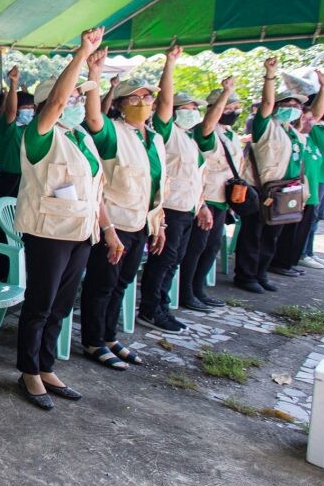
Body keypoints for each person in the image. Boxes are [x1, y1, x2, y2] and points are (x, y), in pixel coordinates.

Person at [14, 28, 109, 409]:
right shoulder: (40, 134)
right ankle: (28, 371)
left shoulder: (81, 137)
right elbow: (54, 105)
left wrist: (94, 78)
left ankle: (47, 365)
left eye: (77, 97)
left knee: (61, 305)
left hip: (81, 233)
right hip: (48, 233)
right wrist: (82, 55)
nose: (74, 102)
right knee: (40, 303)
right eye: (70, 96)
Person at [79, 50, 166, 370]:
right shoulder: (112, 132)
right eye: (135, 97)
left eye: (147, 96)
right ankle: (92, 340)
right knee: (102, 284)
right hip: (112, 221)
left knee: (122, 283)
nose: (142, 101)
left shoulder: (154, 138)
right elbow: (93, 119)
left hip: (141, 223)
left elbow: (158, 184)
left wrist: (160, 224)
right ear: (120, 103)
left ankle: (110, 335)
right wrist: (95, 73)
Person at [234, 59, 324, 292]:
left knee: (272, 235)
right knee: (253, 235)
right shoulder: (265, 127)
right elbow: (266, 102)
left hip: (285, 192)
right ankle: (246, 276)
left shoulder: (293, 131)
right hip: (261, 190)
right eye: (288, 103)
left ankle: (261, 272)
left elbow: (315, 115)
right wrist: (270, 75)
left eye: (297, 105)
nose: (294, 108)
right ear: (276, 106)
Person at [138, 48, 210, 332]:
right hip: (168, 208)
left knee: (174, 260)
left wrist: (202, 205)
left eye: (196, 109)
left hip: (187, 208)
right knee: (163, 260)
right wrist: (170, 64)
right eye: (187, 109)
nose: (193, 114)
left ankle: (162, 305)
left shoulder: (189, 138)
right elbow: (164, 101)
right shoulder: (165, 131)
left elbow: (196, 178)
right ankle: (151, 309)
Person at [177, 80, 239, 310]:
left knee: (211, 246)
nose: (231, 112)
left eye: (234, 108)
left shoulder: (230, 135)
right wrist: (226, 93)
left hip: (222, 199)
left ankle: (197, 288)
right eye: (227, 107)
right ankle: (186, 291)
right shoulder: (206, 132)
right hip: (206, 198)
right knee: (196, 248)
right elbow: (208, 125)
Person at [272, 105, 324, 274]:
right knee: (289, 232)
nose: (309, 121)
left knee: (301, 231)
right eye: (305, 118)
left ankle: (292, 261)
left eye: (310, 118)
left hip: (308, 193)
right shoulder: (290, 136)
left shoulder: (307, 139)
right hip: (294, 191)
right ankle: (281, 263)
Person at [300, 105, 324, 268]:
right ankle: (303, 253)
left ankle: (309, 251)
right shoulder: (313, 130)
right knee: (310, 217)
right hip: (315, 178)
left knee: (315, 218)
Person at [0, 66, 32, 199]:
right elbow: (11, 112)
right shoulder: (7, 127)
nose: (30, 110)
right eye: (25, 107)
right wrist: (13, 86)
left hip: (29, 177)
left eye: (32, 107)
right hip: (10, 177)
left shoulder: (30, 128)